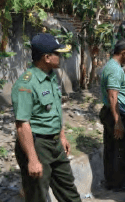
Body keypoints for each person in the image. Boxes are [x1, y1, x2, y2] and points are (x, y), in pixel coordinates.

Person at [11, 33, 81, 202]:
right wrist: (33, 159)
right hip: (38, 144)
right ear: (47, 57)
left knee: (69, 192)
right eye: (58, 53)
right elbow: (22, 124)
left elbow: (55, 110)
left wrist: (62, 136)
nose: (61, 57)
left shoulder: (50, 77)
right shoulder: (26, 84)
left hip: (55, 144)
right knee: (37, 196)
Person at [99, 39, 125, 191]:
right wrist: (118, 121)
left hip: (111, 111)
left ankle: (111, 182)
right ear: (123, 53)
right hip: (117, 112)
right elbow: (113, 95)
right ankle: (123, 183)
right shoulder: (114, 69)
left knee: (112, 148)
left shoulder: (112, 66)